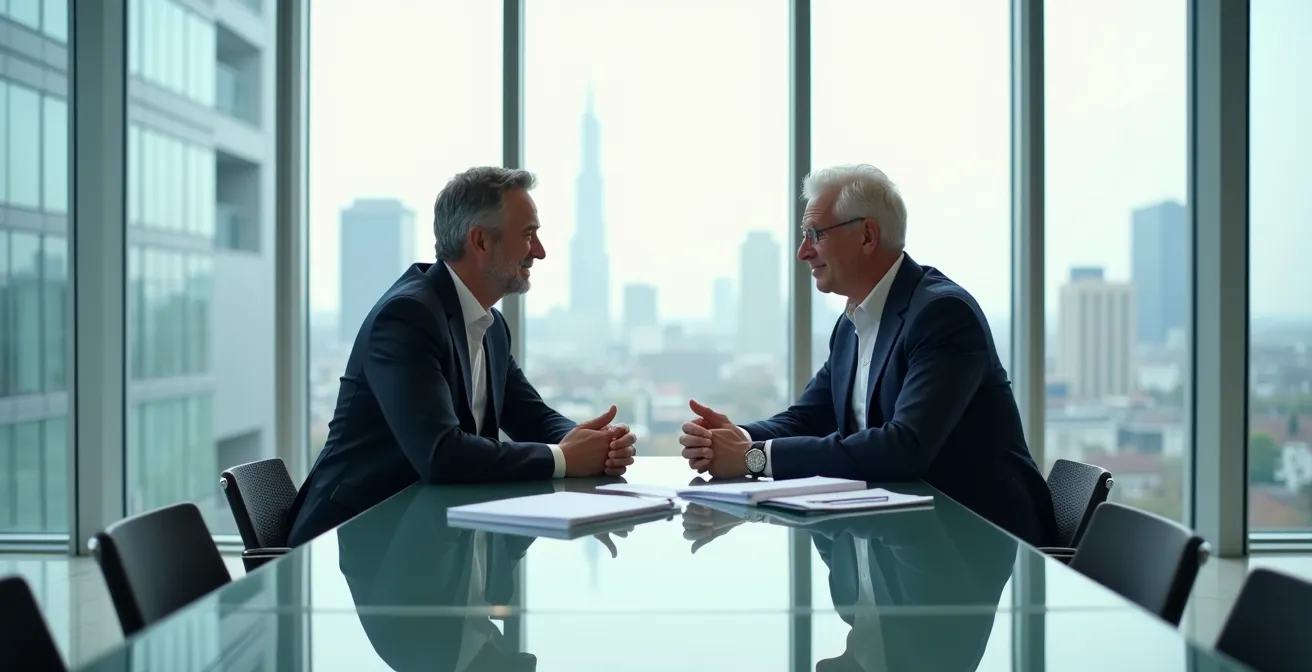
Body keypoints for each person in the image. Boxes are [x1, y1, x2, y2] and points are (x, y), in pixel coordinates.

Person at [678, 164, 1057, 547]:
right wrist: (736, 437)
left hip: (983, 546)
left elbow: (903, 448)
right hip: (898, 540)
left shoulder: (942, 315)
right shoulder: (853, 322)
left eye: (815, 235)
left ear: (867, 236)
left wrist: (751, 458)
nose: (803, 252)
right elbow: (809, 418)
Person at [287, 167, 637, 547]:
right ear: (481, 242)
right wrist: (567, 459)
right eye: (528, 235)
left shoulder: (491, 325)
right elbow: (442, 454)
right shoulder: (407, 317)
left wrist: (587, 441)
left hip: (430, 538)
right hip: (353, 541)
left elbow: (530, 415)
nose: (539, 251)